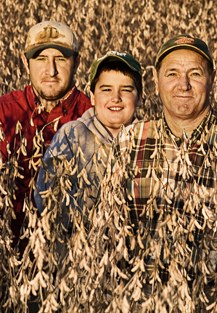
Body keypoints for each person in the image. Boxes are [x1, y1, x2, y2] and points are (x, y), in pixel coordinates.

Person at [107, 34, 217, 276]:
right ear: (156, 79)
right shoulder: (128, 142)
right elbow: (111, 234)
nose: (183, 84)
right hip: (142, 303)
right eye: (172, 73)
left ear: (212, 79)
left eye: (195, 73)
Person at [0, 20, 92, 249]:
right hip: (10, 252)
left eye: (60, 59)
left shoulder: (92, 115)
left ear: (77, 62)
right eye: (40, 59)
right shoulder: (1, 113)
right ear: (25, 63)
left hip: (74, 257)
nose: (51, 70)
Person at [35, 50, 143, 237]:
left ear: (139, 98)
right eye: (106, 89)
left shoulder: (148, 142)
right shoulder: (72, 136)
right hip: (77, 255)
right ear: (92, 97)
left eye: (126, 89)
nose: (115, 97)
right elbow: (47, 201)